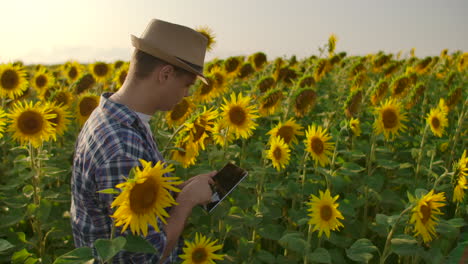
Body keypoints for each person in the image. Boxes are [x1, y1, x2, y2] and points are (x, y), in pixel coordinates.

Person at [70, 18, 216, 263]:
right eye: (187, 84)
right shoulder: (122, 147)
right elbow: (145, 257)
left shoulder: (112, 115)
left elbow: (128, 205)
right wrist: (186, 202)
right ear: (165, 74)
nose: (187, 94)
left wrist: (179, 191)